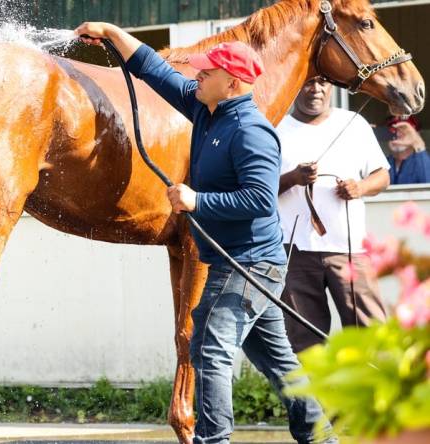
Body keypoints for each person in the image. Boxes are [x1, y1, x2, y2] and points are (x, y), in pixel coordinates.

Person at [75, 23, 334, 444]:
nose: (196, 75)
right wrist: (112, 33)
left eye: (205, 71)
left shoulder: (252, 132)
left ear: (231, 82)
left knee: (209, 350)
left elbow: (259, 201)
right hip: (241, 262)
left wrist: (198, 202)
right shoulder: (206, 109)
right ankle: (322, 438)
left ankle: (213, 440)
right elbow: (153, 70)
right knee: (279, 361)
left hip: (248, 264)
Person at [277, 76, 390, 354]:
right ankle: (318, 399)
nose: (316, 90)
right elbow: (260, 190)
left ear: (331, 88)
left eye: (323, 83)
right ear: (294, 86)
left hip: (350, 250)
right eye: (307, 83)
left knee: (371, 335)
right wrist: (293, 178)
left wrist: (359, 187)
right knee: (305, 343)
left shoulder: (353, 123)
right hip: (295, 254)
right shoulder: (275, 128)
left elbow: (382, 176)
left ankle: (375, 397)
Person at [385, 116, 429, 185]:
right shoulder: (382, 164)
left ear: (417, 134)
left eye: (404, 130)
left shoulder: (424, 162)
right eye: (393, 130)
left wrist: (418, 144)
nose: (398, 134)